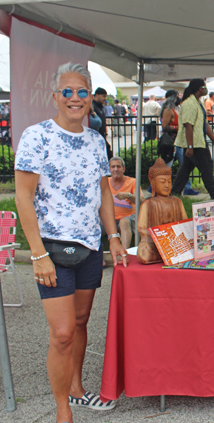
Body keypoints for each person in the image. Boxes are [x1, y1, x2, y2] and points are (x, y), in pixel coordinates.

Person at [14, 62, 128, 423]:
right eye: (68, 91)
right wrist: (37, 254)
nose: (75, 98)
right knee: (62, 333)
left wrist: (112, 237)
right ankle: (63, 410)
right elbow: (22, 197)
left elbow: (104, 194)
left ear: (90, 98)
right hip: (51, 249)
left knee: (80, 322)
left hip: (91, 247)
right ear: (55, 97)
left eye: (82, 91)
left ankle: (77, 390)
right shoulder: (37, 137)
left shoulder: (96, 140)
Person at [171, 79, 214, 200]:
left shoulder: (197, 102)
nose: (206, 89)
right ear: (200, 88)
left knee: (185, 169)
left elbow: (204, 124)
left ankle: (174, 193)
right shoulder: (189, 103)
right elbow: (188, 125)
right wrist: (190, 146)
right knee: (206, 169)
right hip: (195, 144)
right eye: (205, 87)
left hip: (198, 142)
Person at [137, 158, 188, 264]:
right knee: (144, 254)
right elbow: (141, 228)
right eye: (162, 182)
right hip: (154, 243)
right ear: (153, 182)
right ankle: (169, 256)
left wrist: (173, 237)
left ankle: (172, 254)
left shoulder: (177, 201)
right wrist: (158, 237)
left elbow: (185, 224)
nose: (167, 185)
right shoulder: (148, 203)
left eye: (169, 181)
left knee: (188, 245)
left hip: (175, 242)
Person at [160, 90, 198, 196]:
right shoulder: (168, 111)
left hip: (178, 141)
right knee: (168, 165)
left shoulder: (175, 109)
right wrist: (178, 127)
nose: (179, 98)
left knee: (185, 164)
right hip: (172, 142)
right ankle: (155, 187)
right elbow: (164, 126)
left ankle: (187, 187)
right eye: (177, 96)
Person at [108, 156, 145, 249]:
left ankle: (124, 253)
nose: (115, 169)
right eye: (113, 167)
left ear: (123, 169)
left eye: (118, 166)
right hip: (110, 218)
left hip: (129, 217)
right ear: (109, 169)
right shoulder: (105, 182)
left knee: (123, 221)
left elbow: (142, 201)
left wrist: (129, 195)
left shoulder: (132, 182)